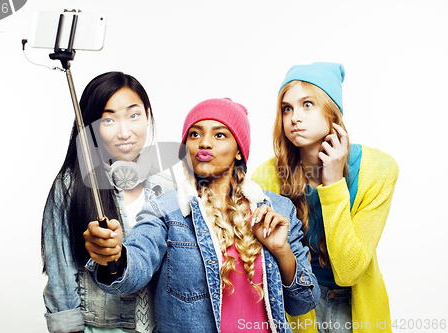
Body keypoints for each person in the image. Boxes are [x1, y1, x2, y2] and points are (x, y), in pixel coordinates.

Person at [83, 97, 320, 333]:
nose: (204, 143)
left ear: (239, 151)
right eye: (195, 135)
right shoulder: (164, 211)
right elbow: (135, 268)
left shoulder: (278, 208)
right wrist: (113, 256)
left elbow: (304, 303)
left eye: (219, 135)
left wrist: (281, 250)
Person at [251, 62, 399, 333]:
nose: (295, 117)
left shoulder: (378, 170)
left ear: (333, 112)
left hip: (354, 306)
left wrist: (333, 183)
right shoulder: (266, 178)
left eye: (308, 104)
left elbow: (348, 271)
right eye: (287, 108)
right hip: (299, 304)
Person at [41, 71, 175, 333]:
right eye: (108, 119)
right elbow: (60, 277)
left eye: (134, 115)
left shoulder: (165, 186)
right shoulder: (71, 186)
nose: (124, 131)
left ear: (147, 115)